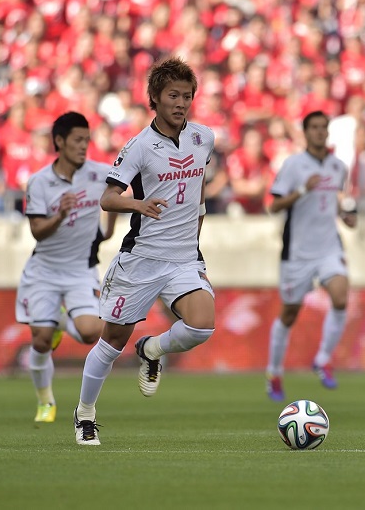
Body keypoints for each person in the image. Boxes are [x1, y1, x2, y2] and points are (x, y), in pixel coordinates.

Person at [73, 57, 215, 446]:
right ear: (154, 97)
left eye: (187, 96)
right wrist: (138, 204)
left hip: (184, 257)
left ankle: (152, 349)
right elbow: (107, 198)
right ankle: (85, 414)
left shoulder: (204, 138)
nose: (181, 103)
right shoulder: (139, 147)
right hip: (142, 260)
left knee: (202, 324)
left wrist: (196, 233)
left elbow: (199, 188)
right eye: (173, 95)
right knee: (111, 342)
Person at [15, 111, 117, 424]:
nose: (84, 146)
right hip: (44, 270)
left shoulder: (100, 173)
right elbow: (37, 231)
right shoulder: (40, 182)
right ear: (59, 141)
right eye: (77, 140)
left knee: (90, 333)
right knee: (40, 341)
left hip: (80, 270)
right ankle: (46, 402)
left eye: (87, 140)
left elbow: (118, 192)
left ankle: (61, 322)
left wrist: (109, 222)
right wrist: (59, 214)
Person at [265, 110, 356, 402]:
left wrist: (345, 215)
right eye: (314, 127)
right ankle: (274, 372)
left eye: (323, 127)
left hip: (329, 246)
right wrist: (303, 189)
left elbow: (332, 202)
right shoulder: (293, 165)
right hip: (298, 252)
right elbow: (275, 206)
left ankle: (323, 359)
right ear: (305, 132)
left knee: (341, 297)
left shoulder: (338, 167)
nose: (320, 132)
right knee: (289, 313)